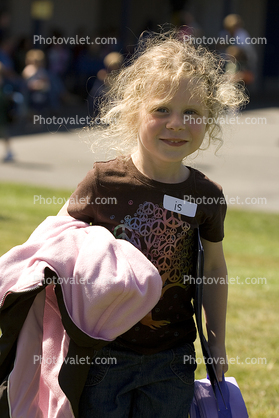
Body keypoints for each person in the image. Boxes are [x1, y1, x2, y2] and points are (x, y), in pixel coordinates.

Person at [59, 31, 247, 417]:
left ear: (209, 119)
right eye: (162, 109)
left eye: (192, 113)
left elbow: (213, 267)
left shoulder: (205, 195)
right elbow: (56, 246)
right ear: (133, 112)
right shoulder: (103, 183)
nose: (176, 123)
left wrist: (217, 343)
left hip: (171, 358)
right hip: (102, 351)